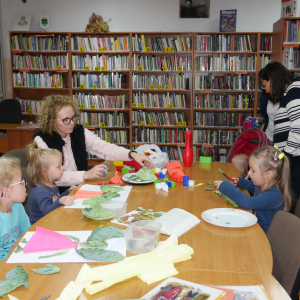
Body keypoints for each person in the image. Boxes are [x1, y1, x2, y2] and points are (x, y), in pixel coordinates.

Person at [33, 95, 152, 191]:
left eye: (73, 117)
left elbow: (104, 148)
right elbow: (50, 176)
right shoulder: (41, 140)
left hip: (79, 188)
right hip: (55, 195)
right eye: (66, 120)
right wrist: (85, 175)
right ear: (52, 121)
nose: (72, 123)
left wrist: (132, 154)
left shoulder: (78, 131)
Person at [214, 146, 291, 233]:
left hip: (263, 235)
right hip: (255, 226)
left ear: (268, 175)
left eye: (253, 171)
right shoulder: (265, 184)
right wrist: (239, 182)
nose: (249, 173)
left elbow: (249, 203)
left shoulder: (274, 195)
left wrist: (226, 187)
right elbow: (252, 186)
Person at [259, 61, 300, 213]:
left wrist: (284, 157)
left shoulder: (294, 90)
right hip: (291, 156)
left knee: (291, 201)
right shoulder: (288, 93)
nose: (266, 90)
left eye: (265, 85)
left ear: (272, 79)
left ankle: (288, 233)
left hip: (294, 159)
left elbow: (298, 128)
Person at [27, 142, 76, 225]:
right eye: (58, 166)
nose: (63, 168)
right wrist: (60, 201)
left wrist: (67, 192)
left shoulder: (52, 184)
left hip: (52, 221)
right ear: (45, 172)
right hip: (40, 227)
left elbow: (55, 199)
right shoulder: (40, 191)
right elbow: (47, 212)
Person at [0, 156, 31, 261]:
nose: (25, 183)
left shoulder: (17, 206)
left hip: (18, 258)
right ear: (7, 192)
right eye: (21, 182)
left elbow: (27, 235)